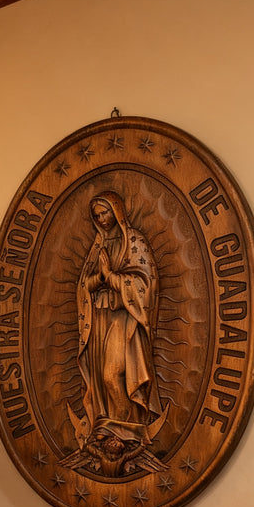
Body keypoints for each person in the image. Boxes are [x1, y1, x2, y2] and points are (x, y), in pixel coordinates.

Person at [65, 191, 165, 473]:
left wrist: (111, 278)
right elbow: (85, 286)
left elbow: (145, 283)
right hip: (100, 318)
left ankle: (126, 429)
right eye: (96, 215)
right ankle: (107, 427)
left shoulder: (134, 241)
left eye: (105, 212)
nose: (101, 219)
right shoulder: (98, 245)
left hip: (124, 318)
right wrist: (99, 278)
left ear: (117, 211)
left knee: (112, 375)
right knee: (100, 379)